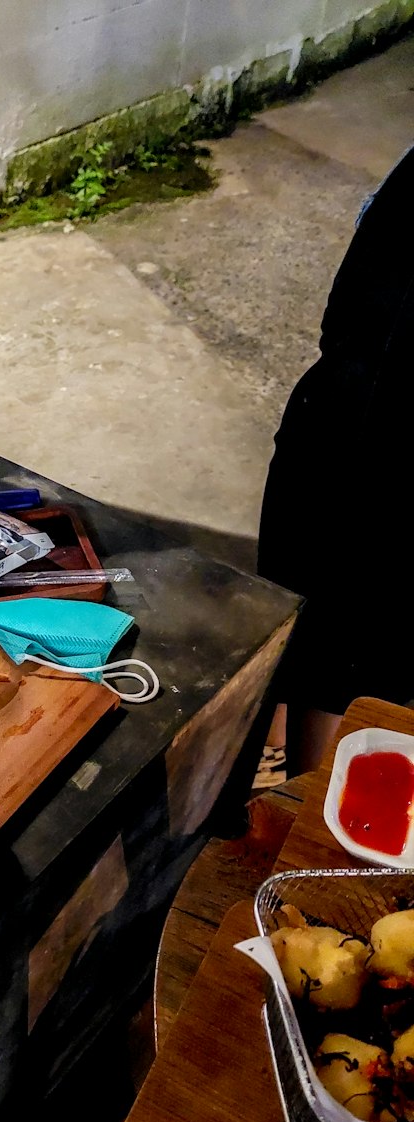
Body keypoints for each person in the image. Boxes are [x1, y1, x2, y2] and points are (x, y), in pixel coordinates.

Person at [257, 144, 414, 775]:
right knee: (321, 645)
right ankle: (280, 782)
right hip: (349, 440)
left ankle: (287, 786)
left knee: (331, 649)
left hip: (355, 444)